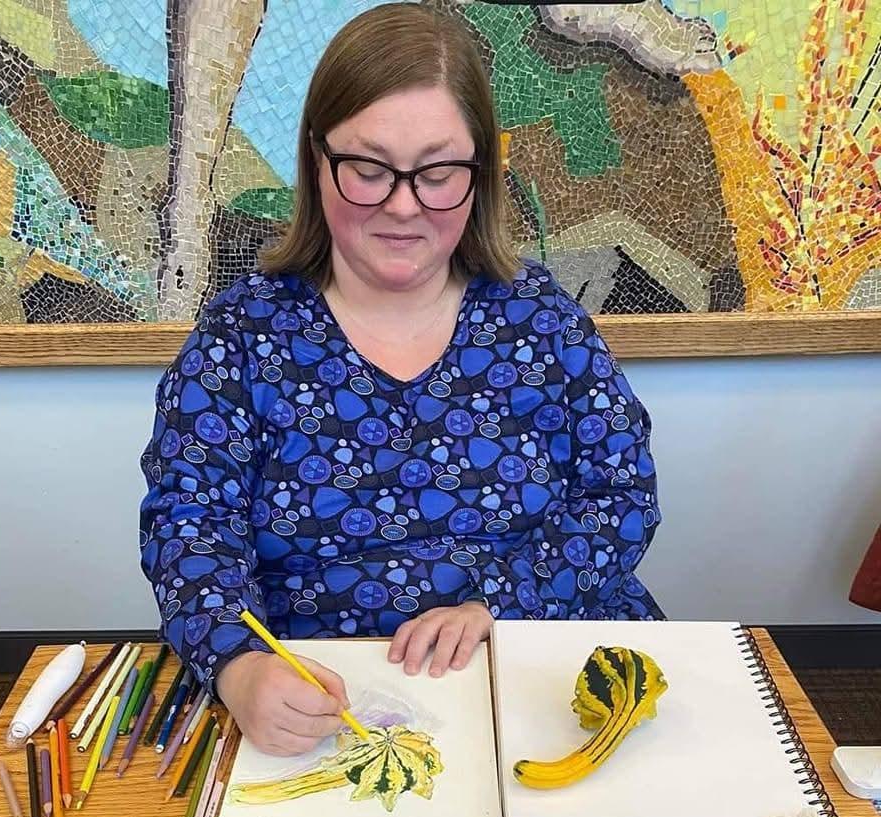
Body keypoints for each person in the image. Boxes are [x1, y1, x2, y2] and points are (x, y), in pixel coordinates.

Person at [139, 3, 663, 757]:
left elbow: (622, 496)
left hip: (539, 664)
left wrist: (504, 605)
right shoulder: (241, 337)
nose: (402, 205)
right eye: (368, 168)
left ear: (480, 173)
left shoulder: (544, 321)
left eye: (438, 171)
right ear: (315, 159)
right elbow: (189, 523)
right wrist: (238, 666)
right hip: (321, 699)